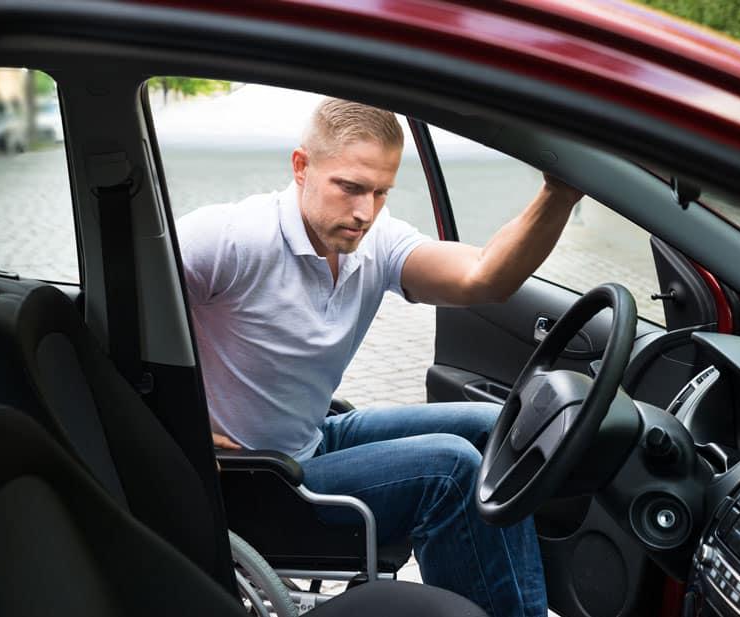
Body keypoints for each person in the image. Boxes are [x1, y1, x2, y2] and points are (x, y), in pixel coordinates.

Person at [178, 98, 582, 617]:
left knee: (493, 426)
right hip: (252, 482)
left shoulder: (375, 243)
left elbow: (486, 275)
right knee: (451, 471)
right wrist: (174, 430)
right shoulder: (227, 239)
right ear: (302, 167)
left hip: (310, 440)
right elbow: (110, 325)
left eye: (381, 192)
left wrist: (560, 192)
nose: (365, 212)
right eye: (349, 187)